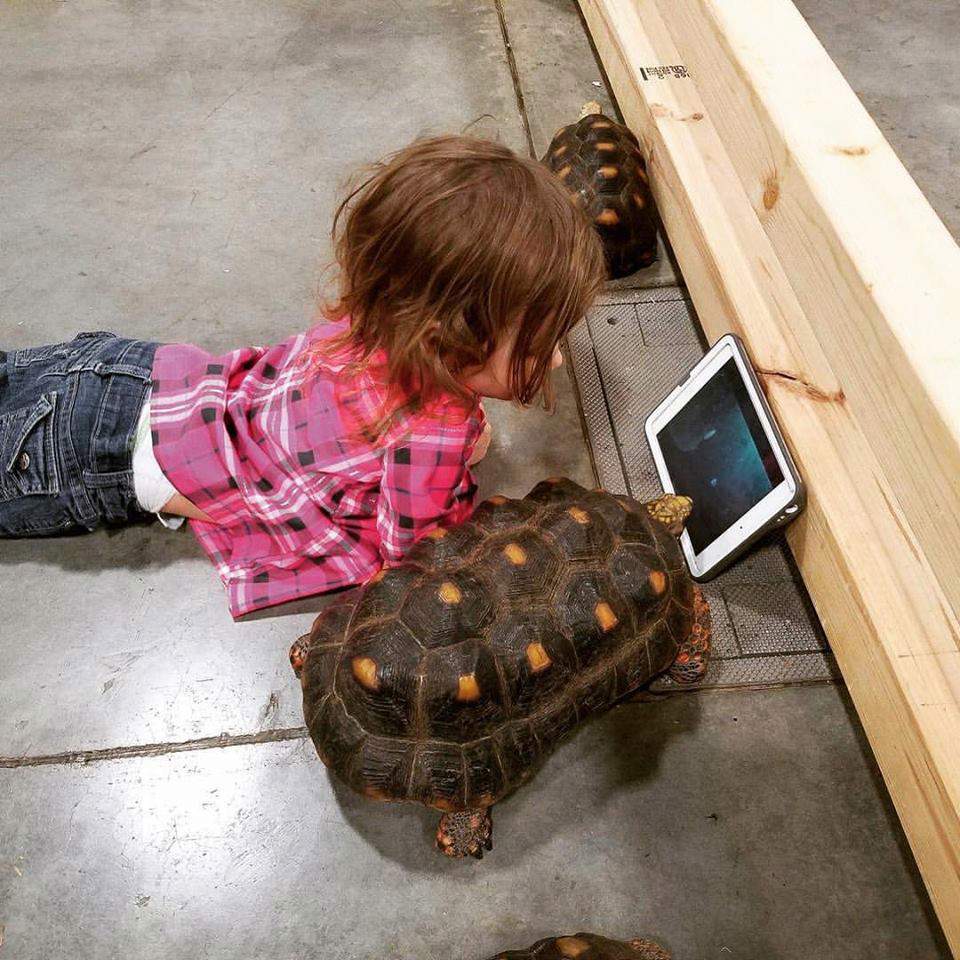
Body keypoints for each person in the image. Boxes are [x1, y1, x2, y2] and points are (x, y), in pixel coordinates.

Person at [0, 135, 606, 617]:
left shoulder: (378, 321)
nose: (555, 359)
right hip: (85, 457)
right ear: (451, 335)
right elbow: (413, 556)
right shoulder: (430, 438)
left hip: (131, 375)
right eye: (540, 341)